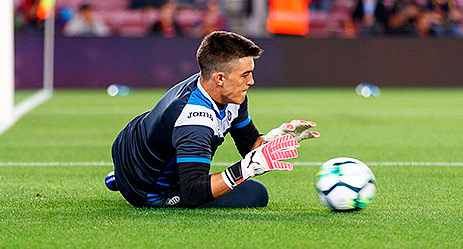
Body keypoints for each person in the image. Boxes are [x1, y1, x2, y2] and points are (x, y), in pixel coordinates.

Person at [107, 31, 319, 208]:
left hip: (129, 145)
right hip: (146, 189)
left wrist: (272, 141)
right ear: (220, 78)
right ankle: (129, 182)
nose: (252, 81)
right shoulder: (195, 122)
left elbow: (248, 145)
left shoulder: (222, 90)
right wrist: (244, 169)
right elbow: (193, 193)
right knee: (257, 195)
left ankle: (121, 176)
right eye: (245, 75)